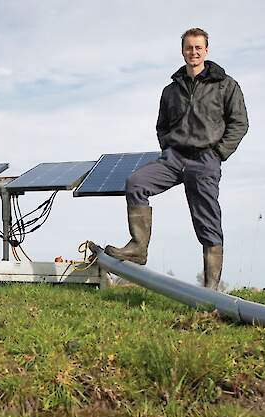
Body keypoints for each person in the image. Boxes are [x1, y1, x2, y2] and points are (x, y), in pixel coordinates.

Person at [105, 27, 249, 290]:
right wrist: (167, 149)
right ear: (182, 51)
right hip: (173, 159)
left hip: (205, 160)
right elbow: (162, 125)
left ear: (206, 50)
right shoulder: (171, 90)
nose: (193, 52)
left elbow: (239, 123)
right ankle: (138, 248)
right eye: (189, 48)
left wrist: (218, 153)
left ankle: (210, 290)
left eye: (198, 48)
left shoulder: (226, 85)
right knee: (136, 183)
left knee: (207, 221)